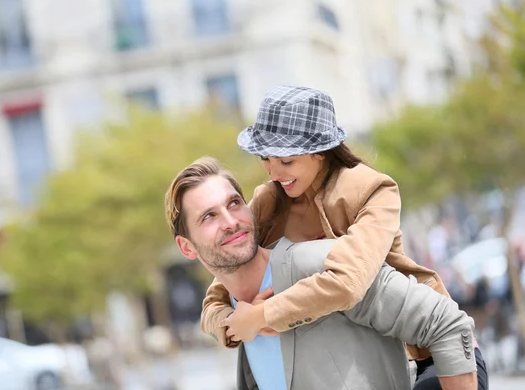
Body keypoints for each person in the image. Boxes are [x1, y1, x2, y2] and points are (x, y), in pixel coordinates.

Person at [201, 85, 488, 389]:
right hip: (355, 363)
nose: (273, 173)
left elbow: (348, 281)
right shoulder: (268, 202)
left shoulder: (374, 191)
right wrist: (230, 325)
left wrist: (263, 315)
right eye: (266, 159)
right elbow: (218, 291)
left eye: (286, 161)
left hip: (431, 349)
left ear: (320, 153)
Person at [165, 157, 478, 389]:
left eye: (235, 203)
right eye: (209, 216)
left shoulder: (321, 263)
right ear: (187, 247)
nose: (230, 221)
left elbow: (448, 324)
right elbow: (212, 308)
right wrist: (226, 323)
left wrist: (264, 316)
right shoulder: (232, 313)